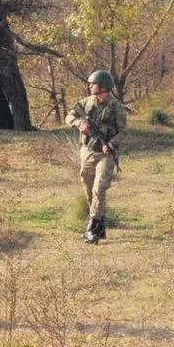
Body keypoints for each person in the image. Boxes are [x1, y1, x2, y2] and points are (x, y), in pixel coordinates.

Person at [65, 70, 126, 244]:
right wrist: (79, 124)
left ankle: (91, 229)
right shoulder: (85, 102)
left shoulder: (116, 106)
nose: (90, 86)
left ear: (103, 87)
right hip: (87, 151)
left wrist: (111, 144)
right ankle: (99, 226)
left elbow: (123, 131)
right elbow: (69, 116)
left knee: (99, 189)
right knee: (87, 185)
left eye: (93, 84)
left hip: (105, 154)